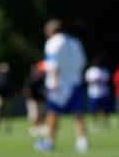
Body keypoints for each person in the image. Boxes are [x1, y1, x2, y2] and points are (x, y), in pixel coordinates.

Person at [35, 20, 88, 153]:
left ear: (50, 31)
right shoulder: (75, 42)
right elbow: (82, 62)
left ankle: (49, 141)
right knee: (78, 114)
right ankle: (81, 141)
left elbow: (52, 64)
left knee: (52, 113)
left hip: (59, 83)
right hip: (75, 81)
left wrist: (52, 81)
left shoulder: (52, 43)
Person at [84, 62, 112, 127]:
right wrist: (93, 81)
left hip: (103, 93)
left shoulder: (104, 70)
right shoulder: (91, 70)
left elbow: (107, 79)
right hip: (93, 93)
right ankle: (94, 122)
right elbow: (87, 80)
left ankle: (105, 122)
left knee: (104, 109)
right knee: (93, 109)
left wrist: (100, 80)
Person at [24, 61, 48, 137]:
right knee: (34, 115)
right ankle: (34, 128)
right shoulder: (32, 78)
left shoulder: (44, 78)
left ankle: (40, 128)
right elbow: (27, 90)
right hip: (33, 99)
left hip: (41, 99)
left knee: (42, 114)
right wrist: (30, 98)